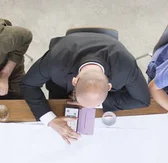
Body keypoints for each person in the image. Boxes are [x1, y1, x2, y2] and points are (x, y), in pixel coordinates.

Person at [21, 32, 150, 144]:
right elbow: (28, 84)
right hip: (61, 81)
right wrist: (49, 120)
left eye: (95, 104)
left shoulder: (125, 67)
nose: (85, 109)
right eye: (82, 103)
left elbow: (143, 100)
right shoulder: (55, 61)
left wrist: (99, 104)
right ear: (74, 81)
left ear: (109, 86)